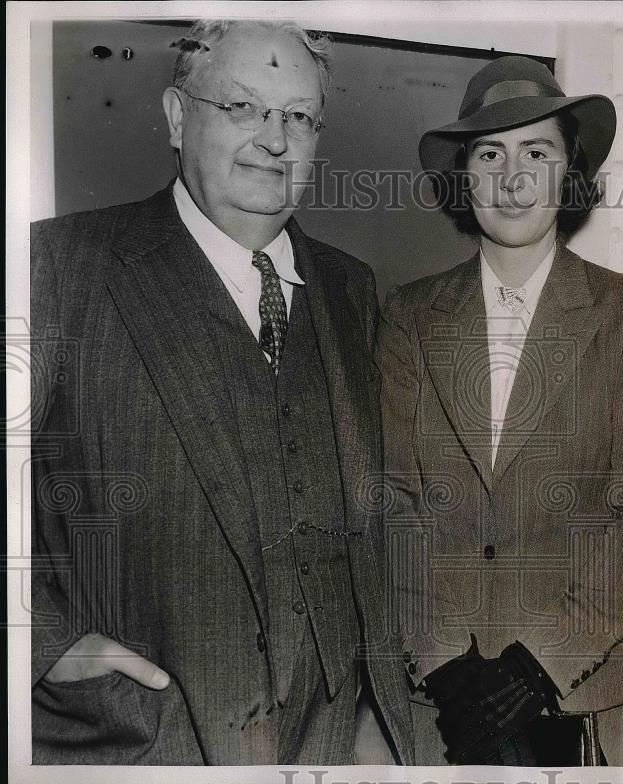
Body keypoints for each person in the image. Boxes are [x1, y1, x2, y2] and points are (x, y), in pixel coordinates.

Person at [30, 19, 412, 765]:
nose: (274, 139)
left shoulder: (350, 287)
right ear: (178, 117)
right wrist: (45, 646)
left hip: (326, 742)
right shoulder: (57, 265)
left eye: (298, 116)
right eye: (242, 107)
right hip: (140, 739)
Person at [376, 55, 623, 767]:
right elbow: (389, 502)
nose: (512, 179)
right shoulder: (409, 316)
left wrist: (539, 664)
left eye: (536, 152)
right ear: (464, 175)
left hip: (574, 698)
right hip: (438, 703)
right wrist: (447, 663)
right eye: (490, 154)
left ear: (569, 173)